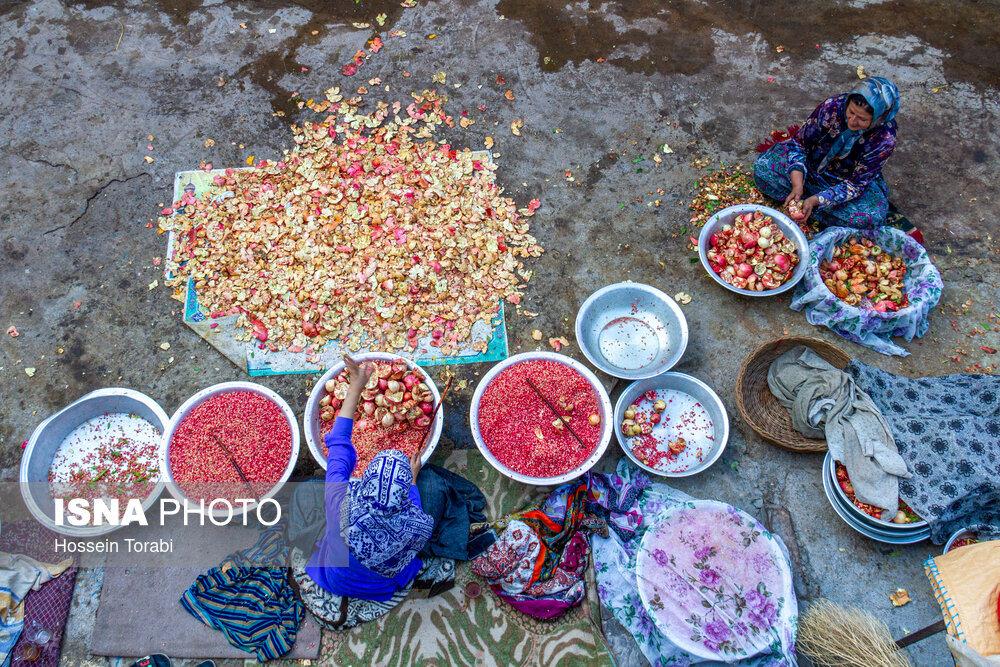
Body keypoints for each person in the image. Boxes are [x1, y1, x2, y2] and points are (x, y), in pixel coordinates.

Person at [304, 355, 434, 601]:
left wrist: (357, 383)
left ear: (365, 481)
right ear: (404, 493)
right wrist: (414, 479)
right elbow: (414, 506)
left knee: (309, 491)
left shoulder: (339, 502)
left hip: (334, 578)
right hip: (381, 588)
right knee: (436, 489)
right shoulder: (419, 523)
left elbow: (340, 444)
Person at [753, 77, 900, 229]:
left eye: (862, 119)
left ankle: (809, 205)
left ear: (878, 119)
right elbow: (799, 144)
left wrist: (817, 200)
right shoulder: (833, 107)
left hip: (842, 182)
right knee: (762, 169)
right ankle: (808, 202)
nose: (852, 121)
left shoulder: (884, 139)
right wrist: (797, 184)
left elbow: (855, 185)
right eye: (851, 112)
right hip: (809, 167)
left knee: (871, 218)